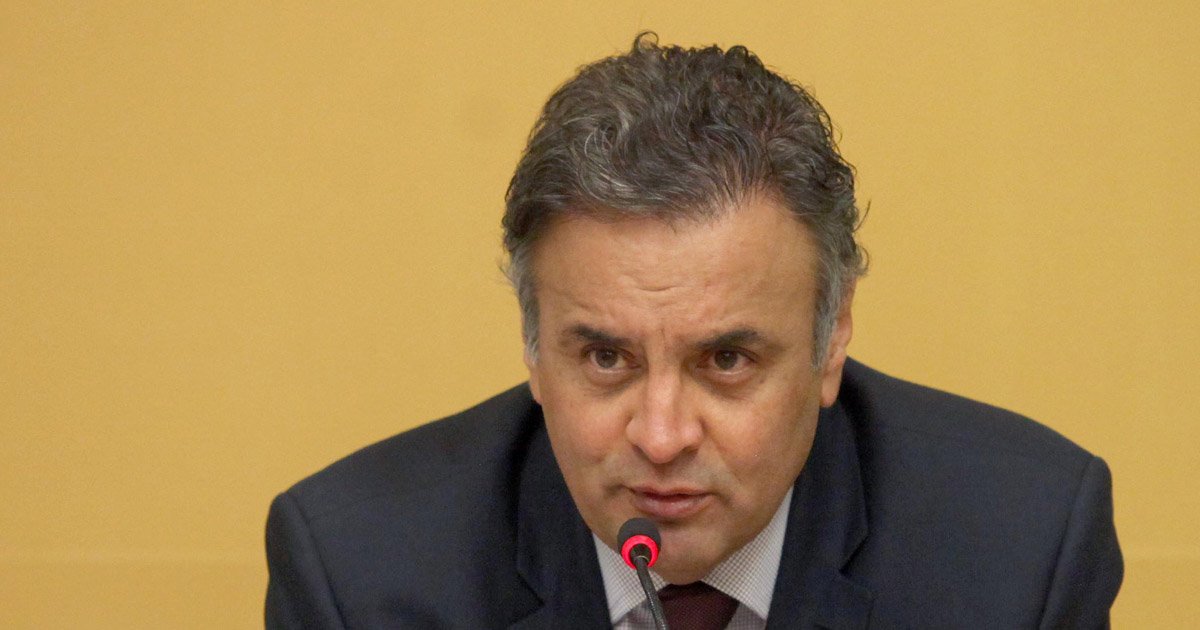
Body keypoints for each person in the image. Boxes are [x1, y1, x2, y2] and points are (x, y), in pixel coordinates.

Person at [265, 34, 1122, 629]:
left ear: (831, 339)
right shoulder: (359, 573)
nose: (662, 436)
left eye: (727, 359)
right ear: (532, 346)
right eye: (606, 357)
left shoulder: (1020, 550)